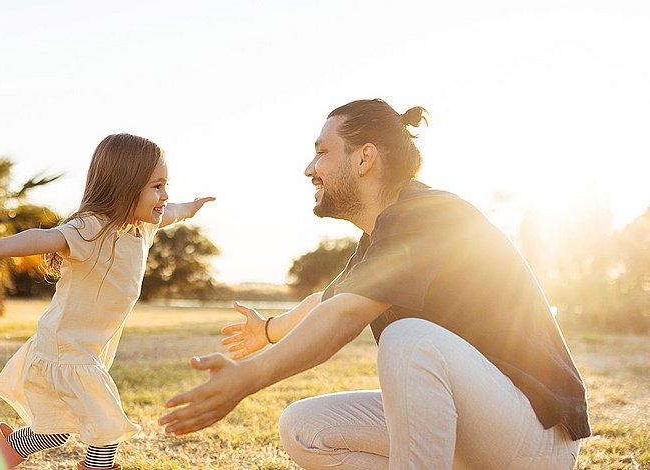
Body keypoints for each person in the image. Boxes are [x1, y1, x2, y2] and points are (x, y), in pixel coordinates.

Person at [161, 99, 590, 469]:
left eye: (322, 152)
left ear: (365, 158)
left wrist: (247, 378)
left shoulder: (429, 214)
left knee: (409, 339)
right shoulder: (383, 233)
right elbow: (328, 300)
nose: (310, 168)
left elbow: (346, 314)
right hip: (483, 428)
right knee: (305, 428)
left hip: (535, 439)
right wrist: (269, 330)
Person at [0, 133, 214, 470]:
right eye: (157, 186)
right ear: (125, 186)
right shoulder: (90, 229)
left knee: (53, 433)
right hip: (65, 352)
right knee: (105, 429)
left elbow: (173, 210)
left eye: (165, 184)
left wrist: (193, 208)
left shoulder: (141, 229)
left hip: (83, 352)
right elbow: (45, 238)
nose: (165, 194)